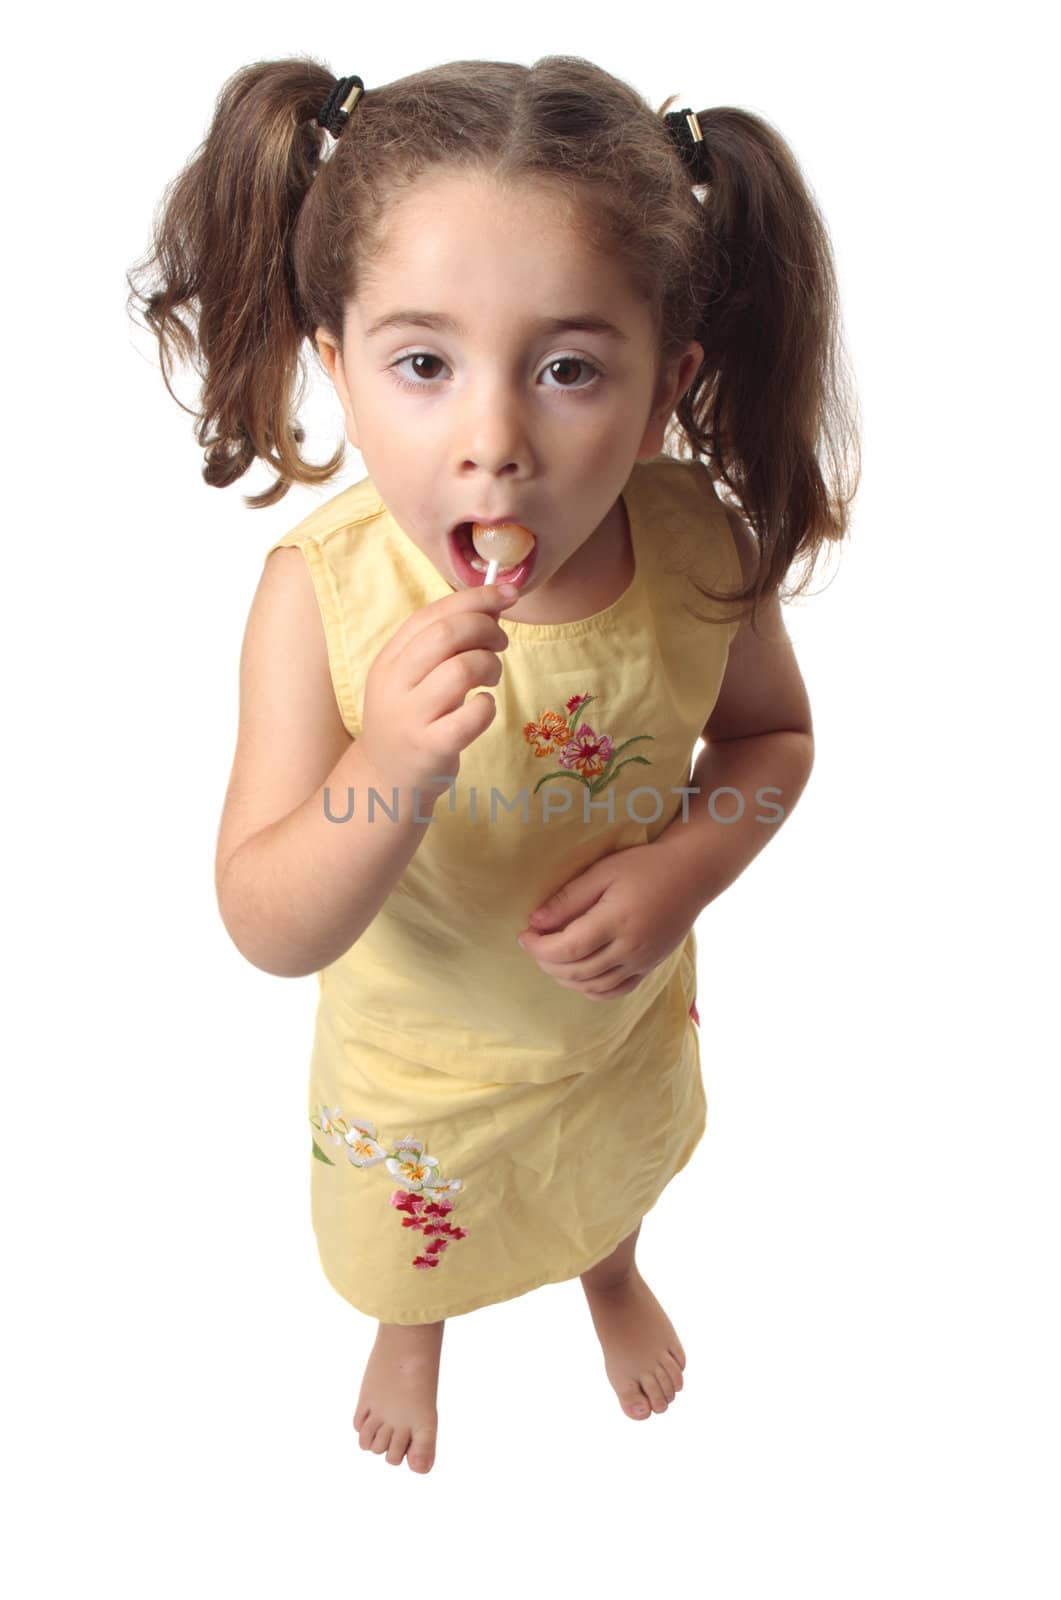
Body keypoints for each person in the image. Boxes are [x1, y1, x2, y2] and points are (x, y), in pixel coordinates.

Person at [127, 53, 860, 1477]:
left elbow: (776, 737)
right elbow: (267, 921)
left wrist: (683, 868)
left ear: (663, 395)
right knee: (412, 1237)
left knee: (612, 1165)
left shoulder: (699, 548)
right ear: (335, 367)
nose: (494, 444)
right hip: (422, 1067)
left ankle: (606, 1269)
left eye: (570, 369)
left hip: (611, 1025)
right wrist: (389, 765)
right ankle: (417, 1328)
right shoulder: (323, 599)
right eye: (423, 364)